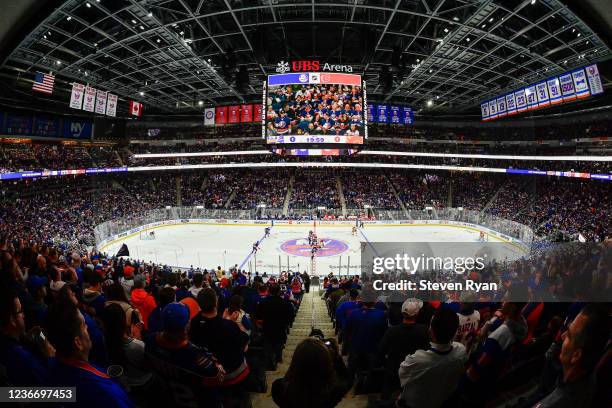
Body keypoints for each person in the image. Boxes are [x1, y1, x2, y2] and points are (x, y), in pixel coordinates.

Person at [44, 301, 134, 408]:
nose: (87, 327)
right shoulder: (106, 392)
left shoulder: (52, 367)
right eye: (83, 325)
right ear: (78, 343)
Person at [144, 303, 225, 408]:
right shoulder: (199, 360)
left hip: (169, 399)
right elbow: (218, 378)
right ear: (187, 326)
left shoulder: (150, 342)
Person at [531, 304, 610, 408]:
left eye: (568, 335)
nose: (563, 337)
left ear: (576, 355)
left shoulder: (556, 403)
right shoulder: (587, 380)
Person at [398, 307, 467, 408]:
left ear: (431, 331)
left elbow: (402, 376)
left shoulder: (417, 360)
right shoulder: (461, 351)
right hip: (443, 400)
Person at [189, 289, 251, 390]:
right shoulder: (228, 326)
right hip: (230, 374)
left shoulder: (193, 323)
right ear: (216, 302)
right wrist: (233, 323)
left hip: (205, 371)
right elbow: (244, 343)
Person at [271, 337, 351, 408]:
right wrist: (336, 357)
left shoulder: (279, 389)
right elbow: (346, 381)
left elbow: (289, 377)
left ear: (296, 360)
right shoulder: (332, 393)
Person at [378, 298, 429, 399]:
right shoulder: (424, 330)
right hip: (416, 373)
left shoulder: (391, 331)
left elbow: (381, 351)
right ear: (417, 314)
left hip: (394, 371)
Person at [0, 288, 50, 386]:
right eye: (21, 311)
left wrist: (24, 339)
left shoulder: (8, 343)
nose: (24, 315)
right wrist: (51, 359)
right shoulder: (24, 359)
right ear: (12, 320)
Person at [256, 284, 295, 368]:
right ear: (279, 292)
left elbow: (258, 316)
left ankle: (269, 362)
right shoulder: (286, 303)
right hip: (281, 327)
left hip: (267, 327)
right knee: (279, 342)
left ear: (269, 291)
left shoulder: (263, 302)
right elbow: (291, 316)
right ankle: (278, 357)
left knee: (268, 343)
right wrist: (286, 323)